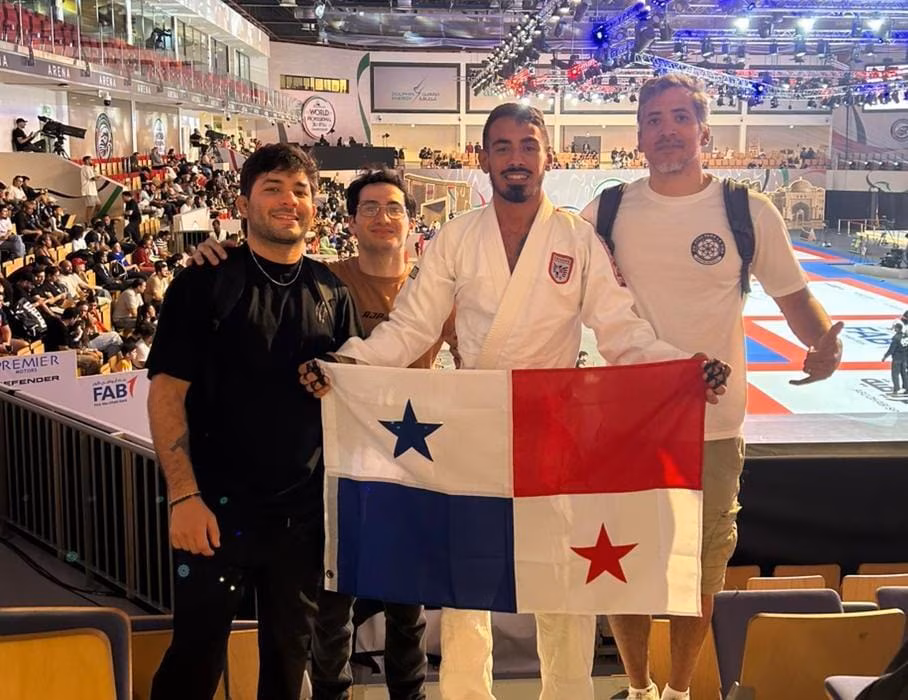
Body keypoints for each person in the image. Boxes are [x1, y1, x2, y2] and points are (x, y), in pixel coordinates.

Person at [300, 103, 729, 700]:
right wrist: (350, 362)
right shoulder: (457, 236)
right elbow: (412, 328)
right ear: (484, 159)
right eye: (502, 147)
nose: (516, 159)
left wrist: (680, 372)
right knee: (468, 586)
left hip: (554, 429)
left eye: (528, 146)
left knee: (564, 584)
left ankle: (568, 693)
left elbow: (619, 330)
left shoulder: (577, 239)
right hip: (477, 430)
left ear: (548, 157)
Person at [578, 73, 843, 700]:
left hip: (713, 423)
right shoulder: (607, 211)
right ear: (639, 134)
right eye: (653, 119)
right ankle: (641, 689)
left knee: (703, 564)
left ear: (704, 129)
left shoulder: (746, 210)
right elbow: (563, 295)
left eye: (678, 117)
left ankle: (679, 690)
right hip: (627, 419)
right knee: (625, 560)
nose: (667, 130)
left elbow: (794, 296)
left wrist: (823, 343)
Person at [193, 166, 440, 700]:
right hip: (336, 467)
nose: (382, 217)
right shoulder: (326, 281)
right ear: (349, 221)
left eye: (394, 207)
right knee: (333, 607)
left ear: (410, 218)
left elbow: (479, 362)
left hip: (410, 466)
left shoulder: (437, 290)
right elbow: (269, 261)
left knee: (408, 606)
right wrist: (215, 253)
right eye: (369, 208)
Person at [146, 143, 362, 700]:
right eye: (272, 188)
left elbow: (348, 389)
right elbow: (167, 393)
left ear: (316, 206)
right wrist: (183, 496)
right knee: (196, 655)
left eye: (300, 190)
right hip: (215, 509)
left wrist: (332, 377)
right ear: (243, 202)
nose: (289, 201)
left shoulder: (333, 291)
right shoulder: (204, 282)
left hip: (301, 518)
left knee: (289, 663)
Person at [882, 322, 908, 395]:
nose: (894, 329)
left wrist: (885, 356)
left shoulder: (896, 338)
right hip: (904, 358)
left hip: (897, 358)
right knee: (904, 374)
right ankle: (907, 388)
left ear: (897, 328)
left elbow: (891, 349)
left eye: (895, 328)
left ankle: (896, 389)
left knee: (895, 374)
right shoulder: (905, 336)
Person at [80, 155, 101, 224]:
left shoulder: (90, 168)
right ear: (86, 161)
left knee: (98, 204)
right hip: (88, 191)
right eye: (90, 160)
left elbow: (95, 175)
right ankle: (87, 222)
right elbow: (93, 178)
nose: (92, 161)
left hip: (93, 191)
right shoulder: (86, 168)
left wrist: (95, 169)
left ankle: (93, 218)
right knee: (90, 207)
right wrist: (98, 177)